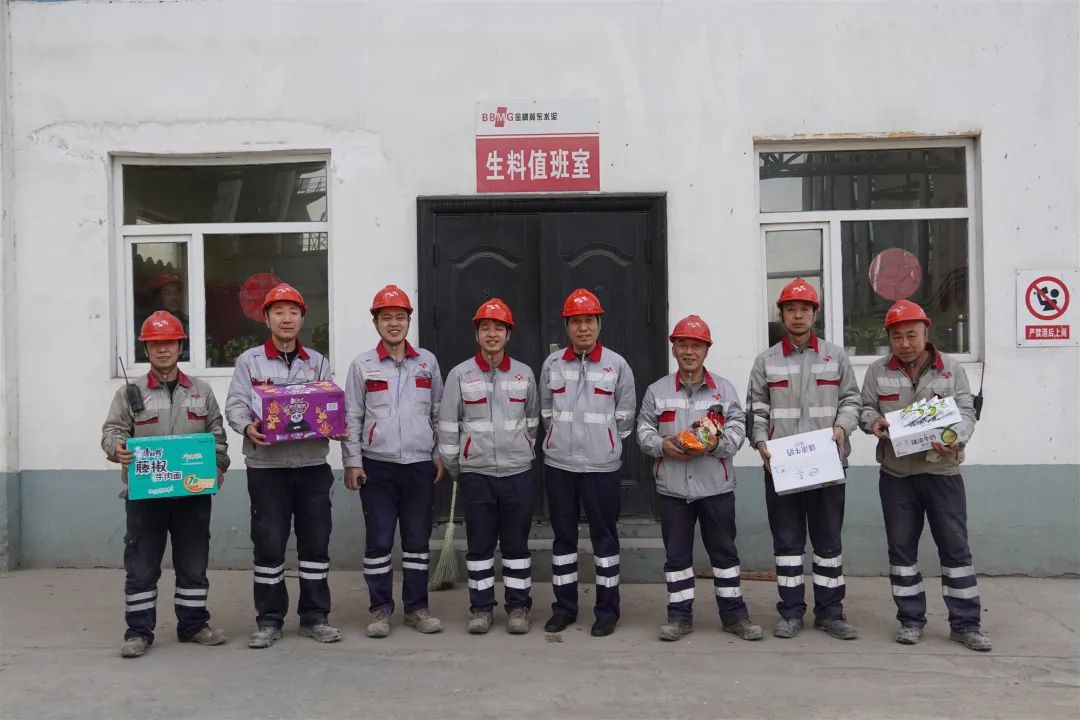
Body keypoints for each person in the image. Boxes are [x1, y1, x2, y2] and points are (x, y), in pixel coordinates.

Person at [860, 299, 991, 652]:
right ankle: (910, 621)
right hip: (897, 475)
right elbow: (865, 408)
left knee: (955, 549)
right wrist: (874, 421)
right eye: (897, 337)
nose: (904, 343)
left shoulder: (950, 368)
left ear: (925, 332)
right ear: (889, 337)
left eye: (911, 335)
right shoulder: (877, 371)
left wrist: (954, 438)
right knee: (902, 551)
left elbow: (966, 412)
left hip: (941, 471)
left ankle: (966, 624)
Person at [102, 311, 229, 658]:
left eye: (169, 342)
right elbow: (112, 431)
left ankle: (193, 625)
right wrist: (117, 449)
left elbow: (217, 435)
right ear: (146, 349)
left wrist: (217, 467)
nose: (162, 349)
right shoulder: (129, 393)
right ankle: (138, 631)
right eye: (155, 344)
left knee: (193, 561)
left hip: (192, 493)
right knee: (141, 564)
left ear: (180, 346)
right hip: (145, 495)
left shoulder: (201, 391)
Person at [225, 283, 343, 649]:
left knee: (315, 543)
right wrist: (247, 427)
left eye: (293, 312)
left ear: (302, 318)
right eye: (278, 312)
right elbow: (235, 404)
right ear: (266, 319)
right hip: (267, 469)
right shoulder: (250, 361)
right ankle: (269, 620)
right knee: (269, 544)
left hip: (312, 466)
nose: (286, 319)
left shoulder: (317, 362)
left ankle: (315, 617)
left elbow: (328, 404)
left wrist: (335, 424)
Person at [746, 279, 861, 640]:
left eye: (805, 309)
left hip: (828, 464)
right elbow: (757, 410)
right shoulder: (766, 361)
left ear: (814, 314)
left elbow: (852, 401)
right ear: (781, 315)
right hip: (782, 467)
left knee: (828, 544)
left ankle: (831, 613)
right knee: (788, 544)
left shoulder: (835, 356)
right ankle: (791, 612)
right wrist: (761, 443)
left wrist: (842, 429)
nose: (798, 315)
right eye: (791, 309)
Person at [637, 315, 762, 642]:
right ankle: (679, 618)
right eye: (683, 345)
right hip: (673, 490)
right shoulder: (657, 391)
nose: (689, 352)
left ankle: (735, 616)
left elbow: (737, 432)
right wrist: (662, 446)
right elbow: (643, 431)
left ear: (707, 350)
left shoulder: (724, 390)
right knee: (677, 558)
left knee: (725, 555)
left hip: (715, 488)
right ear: (674, 349)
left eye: (696, 345)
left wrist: (714, 445)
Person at [342, 285, 445, 637]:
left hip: (419, 464)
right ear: (376, 322)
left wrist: (438, 454)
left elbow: (437, 412)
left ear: (409, 321)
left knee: (417, 541)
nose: (394, 323)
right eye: (386, 317)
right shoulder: (362, 365)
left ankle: (417, 608)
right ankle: (380, 609)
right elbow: (352, 416)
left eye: (400, 317)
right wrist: (353, 461)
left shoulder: (427, 362)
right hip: (377, 466)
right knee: (379, 541)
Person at [438, 299, 539, 634]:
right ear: (477, 334)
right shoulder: (460, 375)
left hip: (517, 473)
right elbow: (448, 426)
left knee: (516, 546)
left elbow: (533, 422)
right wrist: (458, 466)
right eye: (485, 328)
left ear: (509, 334)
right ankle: (481, 609)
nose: (492, 334)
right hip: (476, 474)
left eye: (499, 328)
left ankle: (518, 607)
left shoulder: (524, 374)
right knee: (479, 546)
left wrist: (522, 450)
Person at [539, 288, 636, 637]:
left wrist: (603, 442)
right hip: (560, 466)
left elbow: (625, 417)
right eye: (576, 321)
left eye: (589, 321)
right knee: (563, 540)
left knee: (605, 540)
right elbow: (546, 412)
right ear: (567, 325)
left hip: (601, 467)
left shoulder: (617, 365)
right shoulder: (552, 365)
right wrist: (560, 440)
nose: (583, 327)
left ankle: (607, 611)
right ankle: (564, 609)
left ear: (599, 323)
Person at [136, 274, 190, 362]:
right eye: (167, 293)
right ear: (158, 298)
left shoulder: (187, 322)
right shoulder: (147, 324)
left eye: (177, 292)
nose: (174, 297)